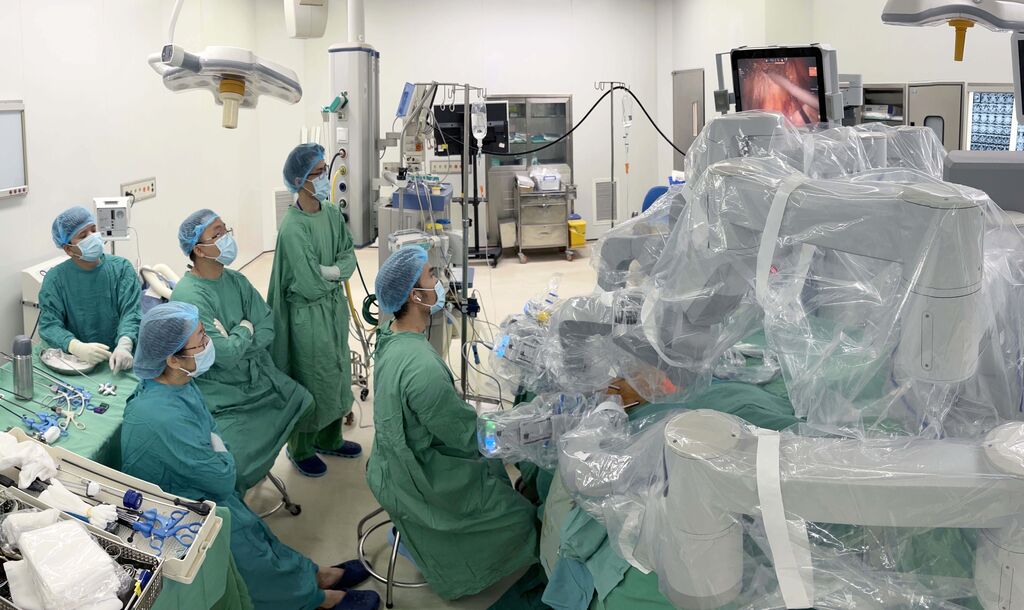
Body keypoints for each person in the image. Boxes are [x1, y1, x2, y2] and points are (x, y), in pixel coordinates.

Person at [121, 303, 380, 610]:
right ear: (172, 359)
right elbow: (222, 476)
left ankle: (313, 574)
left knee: (258, 532)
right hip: (186, 511)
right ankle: (314, 599)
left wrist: (219, 455)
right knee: (250, 554)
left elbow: (210, 436)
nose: (208, 345)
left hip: (207, 487)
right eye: (201, 340)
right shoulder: (160, 416)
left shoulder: (179, 384)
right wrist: (222, 456)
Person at [367, 247, 539, 600]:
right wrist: (525, 428)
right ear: (415, 296)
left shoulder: (391, 336)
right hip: (418, 478)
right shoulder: (422, 369)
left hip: (388, 464)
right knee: (522, 519)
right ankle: (443, 557)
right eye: (431, 275)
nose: (440, 281)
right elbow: (467, 436)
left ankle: (414, 533)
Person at [171, 209, 314, 492]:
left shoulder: (236, 281)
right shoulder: (189, 295)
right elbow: (223, 356)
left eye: (226, 229)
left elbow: (267, 328)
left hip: (257, 378)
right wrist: (246, 328)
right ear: (199, 249)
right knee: (237, 464)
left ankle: (278, 459)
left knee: (304, 401)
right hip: (222, 394)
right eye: (217, 233)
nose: (226, 237)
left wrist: (236, 341)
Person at [268, 143, 359, 477]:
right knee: (310, 377)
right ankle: (301, 447)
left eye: (325, 170)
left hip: (332, 310)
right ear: (299, 180)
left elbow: (348, 256)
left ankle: (330, 438)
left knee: (336, 372)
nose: (325, 177)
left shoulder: (331, 213)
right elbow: (307, 283)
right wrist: (331, 275)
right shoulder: (293, 227)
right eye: (318, 172)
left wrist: (331, 271)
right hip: (306, 315)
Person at [39, 206, 141, 372]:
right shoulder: (55, 279)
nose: (93, 237)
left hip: (120, 359)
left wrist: (125, 344)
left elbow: (131, 313)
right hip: (77, 363)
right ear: (68, 249)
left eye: (93, 230)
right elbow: (49, 325)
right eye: (83, 235)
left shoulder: (122, 269)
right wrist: (75, 346)